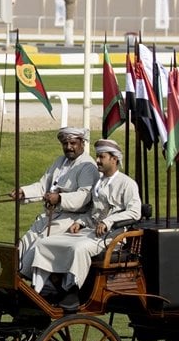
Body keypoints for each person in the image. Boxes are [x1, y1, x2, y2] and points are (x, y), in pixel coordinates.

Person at [20, 139, 141, 304]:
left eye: (101, 157)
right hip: (91, 232)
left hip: (112, 237)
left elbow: (135, 212)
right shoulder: (99, 183)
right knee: (45, 243)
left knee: (78, 249)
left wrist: (108, 222)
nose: (97, 160)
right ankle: (40, 288)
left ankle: (72, 291)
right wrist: (81, 222)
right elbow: (93, 211)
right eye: (97, 156)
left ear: (114, 159)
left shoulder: (127, 184)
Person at [13, 126, 100, 270]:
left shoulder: (88, 166)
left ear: (82, 143)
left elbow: (84, 196)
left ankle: (25, 277)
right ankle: (12, 272)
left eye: (73, 143)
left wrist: (59, 198)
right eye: (65, 144)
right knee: (26, 240)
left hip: (69, 218)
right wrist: (23, 192)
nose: (69, 147)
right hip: (50, 216)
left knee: (39, 244)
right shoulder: (60, 161)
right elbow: (43, 186)